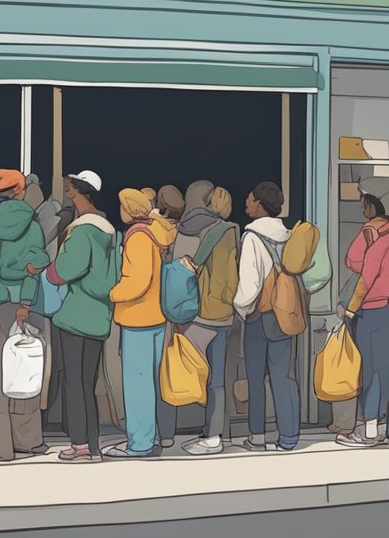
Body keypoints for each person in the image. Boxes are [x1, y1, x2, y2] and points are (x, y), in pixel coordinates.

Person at [32, 170, 118, 463]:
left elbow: (67, 269)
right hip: (99, 316)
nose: (67, 194)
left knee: (73, 382)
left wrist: (46, 272)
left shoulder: (81, 230)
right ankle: (92, 446)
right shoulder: (110, 231)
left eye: (69, 189)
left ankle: (80, 445)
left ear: (77, 192)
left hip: (74, 315)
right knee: (88, 382)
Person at [0, 169, 52, 461]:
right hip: (26, 301)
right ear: (20, 190)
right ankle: (29, 441)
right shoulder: (32, 224)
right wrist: (25, 300)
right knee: (27, 370)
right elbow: (37, 260)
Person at [105, 189, 176, 459]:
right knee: (149, 382)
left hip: (136, 317)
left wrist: (113, 293)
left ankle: (139, 444)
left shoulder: (136, 237)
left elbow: (138, 280)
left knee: (137, 385)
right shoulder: (156, 233)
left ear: (129, 210)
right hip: (156, 317)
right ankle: (151, 437)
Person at [233, 181, 303, 452]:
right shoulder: (288, 235)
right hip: (284, 314)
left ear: (260, 204)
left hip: (259, 316)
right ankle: (288, 438)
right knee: (282, 376)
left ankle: (258, 436)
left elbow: (250, 285)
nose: (247, 204)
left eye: (250, 200)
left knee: (256, 377)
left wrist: (240, 308)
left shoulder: (252, 237)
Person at [336, 191, 389, 448]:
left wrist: (352, 308)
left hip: (370, 307)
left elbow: (357, 265)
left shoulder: (370, 233)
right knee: (387, 368)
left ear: (370, 207)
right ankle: (386, 425)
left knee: (369, 371)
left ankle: (369, 430)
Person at [174, 184, 240, 456]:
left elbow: (196, 262)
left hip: (206, 313)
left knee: (189, 369)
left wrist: (179, 264)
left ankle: (204, 435)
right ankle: (215, 434)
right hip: (226, 313)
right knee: (218, 380)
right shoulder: (235, 231)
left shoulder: (214, 232)